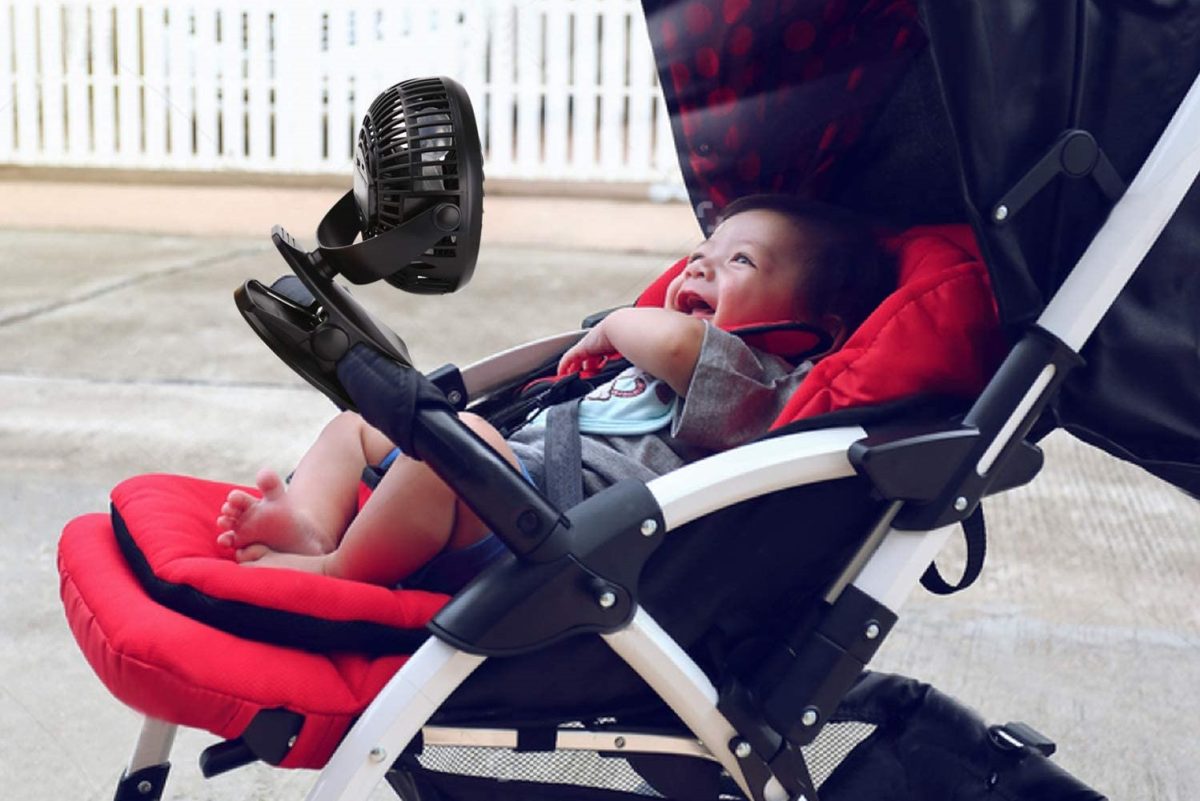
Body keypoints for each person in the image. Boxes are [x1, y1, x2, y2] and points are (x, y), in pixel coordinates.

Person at [215, 195, 893, 589]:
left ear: (816, 329)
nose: (702, 267)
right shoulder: (657, 363)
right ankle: (308, 522)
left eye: (739, 261)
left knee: (456, 448)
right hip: (505, 490)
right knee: (359, 425)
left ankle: (336, 575)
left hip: (552, 535)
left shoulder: (763, 381)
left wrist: (616, 323)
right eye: (701, 256)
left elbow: (681, 345)